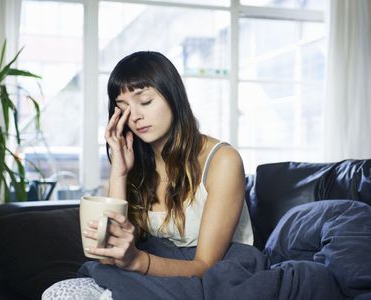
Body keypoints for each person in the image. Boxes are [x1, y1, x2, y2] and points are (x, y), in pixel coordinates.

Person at [42, 51, 253, 299]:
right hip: (155, 268)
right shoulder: (137, 162)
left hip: (214, 275)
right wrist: (119, 172)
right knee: (59, 293)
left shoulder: (222, 160)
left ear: (173, 97)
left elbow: (204, 266)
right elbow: (108, 252)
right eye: (123, 108)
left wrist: (137, 261)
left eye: (145, 101)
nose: (136, 116)